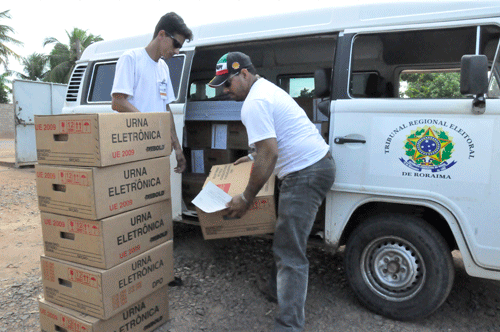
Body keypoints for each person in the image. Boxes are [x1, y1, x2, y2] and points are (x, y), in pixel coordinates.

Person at [208, 52, 336, 331]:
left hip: (305, 173)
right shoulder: (266, 91)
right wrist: (254, 158)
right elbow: (278, 138)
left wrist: (246, 197)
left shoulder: (254, 102)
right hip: (313, 166)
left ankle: (289, 325)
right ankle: (276, 290)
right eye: (220, 87)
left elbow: (270, 150)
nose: (224, 92)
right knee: (286, 236)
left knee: (289, 249)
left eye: (227, 84)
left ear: (243, 74)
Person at [111, 12, 193, 173]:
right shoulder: (131, 58)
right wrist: (151, 126)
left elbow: (166, 109)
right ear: (161, 34)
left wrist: (177, 147)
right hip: (133, 149)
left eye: (180, 47)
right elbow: (118, 101)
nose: (177, 51)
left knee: (156, 195)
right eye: (176, 44)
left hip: (156, 149)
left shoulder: (163, 68)